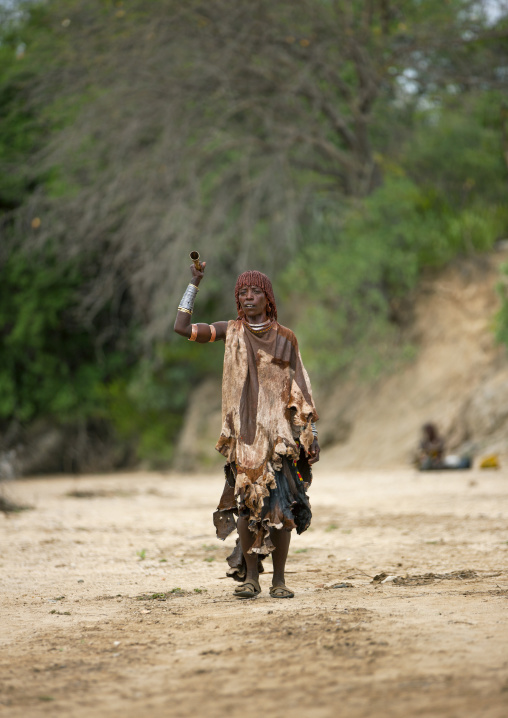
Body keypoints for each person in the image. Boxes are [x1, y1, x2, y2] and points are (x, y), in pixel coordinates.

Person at [174, 260, 319, 599]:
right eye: (242, 292)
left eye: (256, 291)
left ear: (269, 298)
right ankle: (251, 578)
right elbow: (183, 328)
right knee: (246, 506)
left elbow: (301, 387)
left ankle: (279, 581)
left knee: (282, 509)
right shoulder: (231, 331)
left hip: (280, 436)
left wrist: (310, 433)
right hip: (244, 436)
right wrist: (194, 284)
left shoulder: (286, 338)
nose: (249, 297)